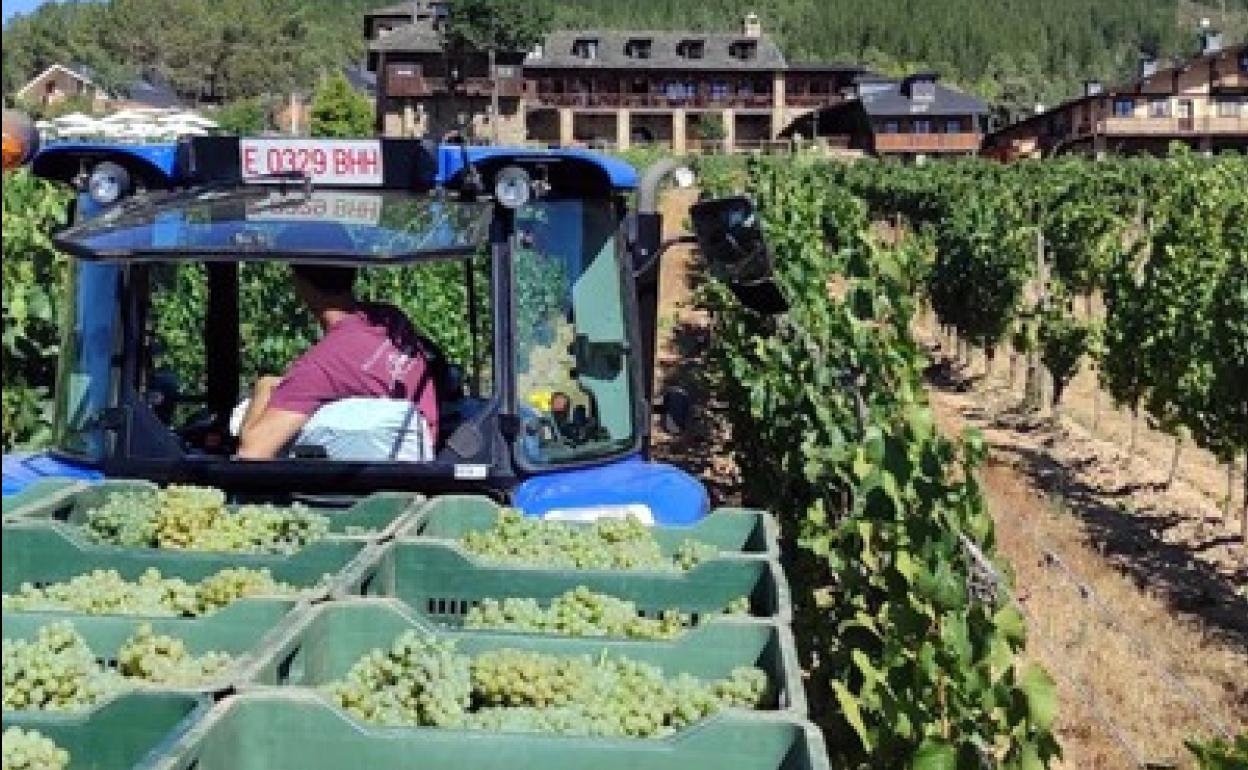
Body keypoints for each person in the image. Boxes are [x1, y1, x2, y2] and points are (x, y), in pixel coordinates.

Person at [236, 265, 440, 460]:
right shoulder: (390, 318)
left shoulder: (319, 368)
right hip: (427, 449)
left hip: (388, 476)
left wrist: (263, 387)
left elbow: (253, 451)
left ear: (301, 285)